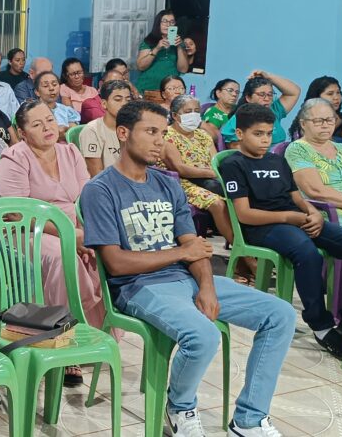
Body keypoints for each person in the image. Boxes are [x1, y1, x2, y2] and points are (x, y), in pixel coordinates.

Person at [80, 100, 294, 437]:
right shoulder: (100, 190)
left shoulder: (167, 183)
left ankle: (249, 418)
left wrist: (207, 287)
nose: (159, 142)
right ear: (123, 133)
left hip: (186, 278)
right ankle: (179, 407)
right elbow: (116, 262)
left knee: (281, 315)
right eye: (150, 132)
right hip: (138, 286)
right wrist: (182, 252)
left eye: (163, 134)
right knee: (203, 335)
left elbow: (196, 248)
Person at [223, 103, 342, 362]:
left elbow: (296, 196)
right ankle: (321, 325)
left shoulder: (276, 160)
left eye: (268, 133)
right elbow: (244, 214)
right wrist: (291, 217)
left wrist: (311, 212)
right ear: (239, 133)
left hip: (295, 218)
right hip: (261, 226)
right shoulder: (234, 164)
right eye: (258, 134)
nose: (265, 140)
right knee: (307, 253)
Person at [0, 99, 105, 384]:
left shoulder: (70, 152)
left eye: (50, 120)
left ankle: (90, 330)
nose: (47, 127)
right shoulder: (14, 158)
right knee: (60, 255)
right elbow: (17, 213)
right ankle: (59, 336)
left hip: (74, 226)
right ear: (22, 131)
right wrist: (71, 235)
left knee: (104, 247)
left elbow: (86, 198)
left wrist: (88, 231)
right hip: (29, 232)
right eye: (37, 123)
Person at [157, 95, 237, 255]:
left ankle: (244, 244)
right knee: (217, 203)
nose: (193, 115)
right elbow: (180, 168)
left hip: (208, 180)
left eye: (196, 111)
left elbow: (215, 160)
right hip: (181, 183)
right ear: (174, 115)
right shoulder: (168, 136)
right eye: (188, 111)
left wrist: (214, 173)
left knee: (239, 197)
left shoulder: (203, 135)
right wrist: (211, 173)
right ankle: (244, 255)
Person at [285, 99, 342, 231]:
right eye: (318, 121)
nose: (325, 125)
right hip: (329, 214)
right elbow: (316, 191)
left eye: (329, 120)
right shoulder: (298, 149)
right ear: (303, 124)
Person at [221, 70, 301, 148]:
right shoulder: (241, 117)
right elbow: (234, 146)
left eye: (270, 94)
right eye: (261, 94)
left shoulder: (274, 110)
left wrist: (268, 76)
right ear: (248, 98)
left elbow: (294, 92)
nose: (267, 98)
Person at [79, 79, 135, 177]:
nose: (124, 104)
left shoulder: (133, 128)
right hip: (106, 187)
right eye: (118, 99)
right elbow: (97, 175)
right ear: (104, 104)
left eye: (128, 100)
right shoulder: (92, 130)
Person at [134, 9, 190, 101]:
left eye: (172, 22)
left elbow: (183, 69)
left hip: (170, 91)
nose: (168, 25)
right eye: (164, 21)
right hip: (148, 89)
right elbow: (141, 66)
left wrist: (180, 47)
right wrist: (157, 48)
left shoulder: (180, 43)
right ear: (158, 24)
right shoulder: (149, 41)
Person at [289, 76, 342, 141]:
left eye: (338, 93)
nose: (336, 97)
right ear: (316, 97)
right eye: (330, 94)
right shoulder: (306, 120)